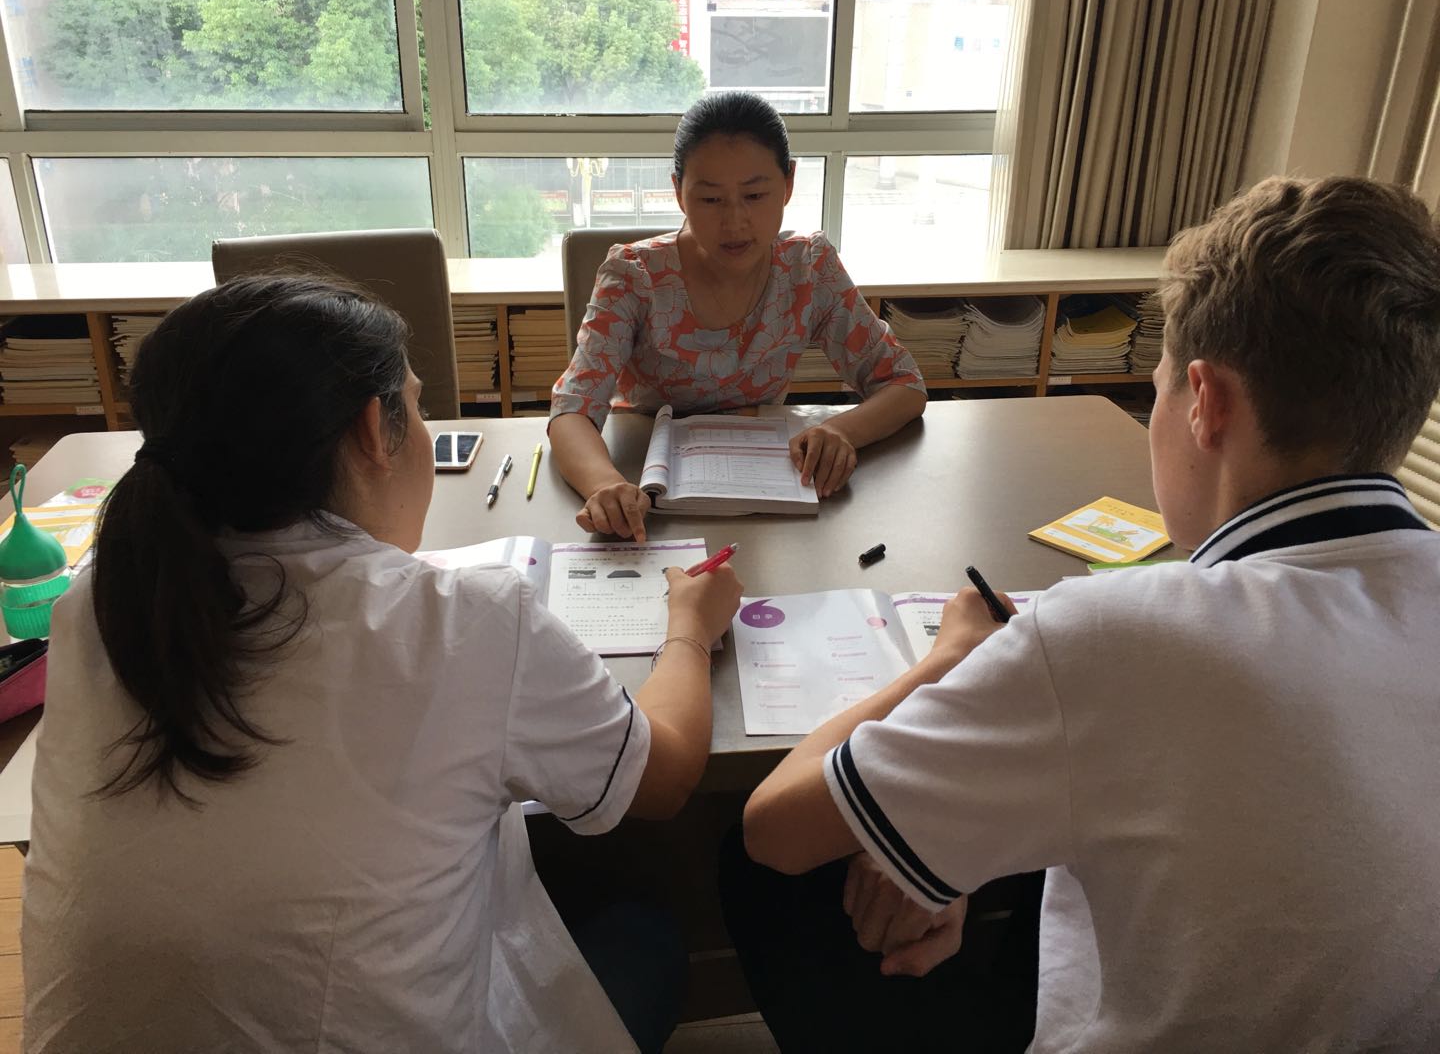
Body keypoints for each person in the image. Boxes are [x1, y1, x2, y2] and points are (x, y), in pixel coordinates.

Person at [736, 176, 1440, 1052]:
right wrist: (964, 846)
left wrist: (949, 660)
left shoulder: (1118, 635)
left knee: (763, 874)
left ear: (1205, 403)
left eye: (1157, 388)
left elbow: (777, 826)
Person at [22, 274, 742, 1053]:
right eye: (418, 407)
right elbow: (662, 778)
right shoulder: (468, 622)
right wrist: (689, 629)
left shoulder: (102, 604)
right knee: (640, 928)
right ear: (374, 429)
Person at [550, 91, 927, 542]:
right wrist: (604, 485)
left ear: (788, 184)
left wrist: (838, 430)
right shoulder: (634, 276)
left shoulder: (809, 268)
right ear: (679, 192)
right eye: (711, 199)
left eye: (754, 195)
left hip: (770, 495)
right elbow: (572, 409)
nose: (734, 221)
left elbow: (904, 384)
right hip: (646, 495)